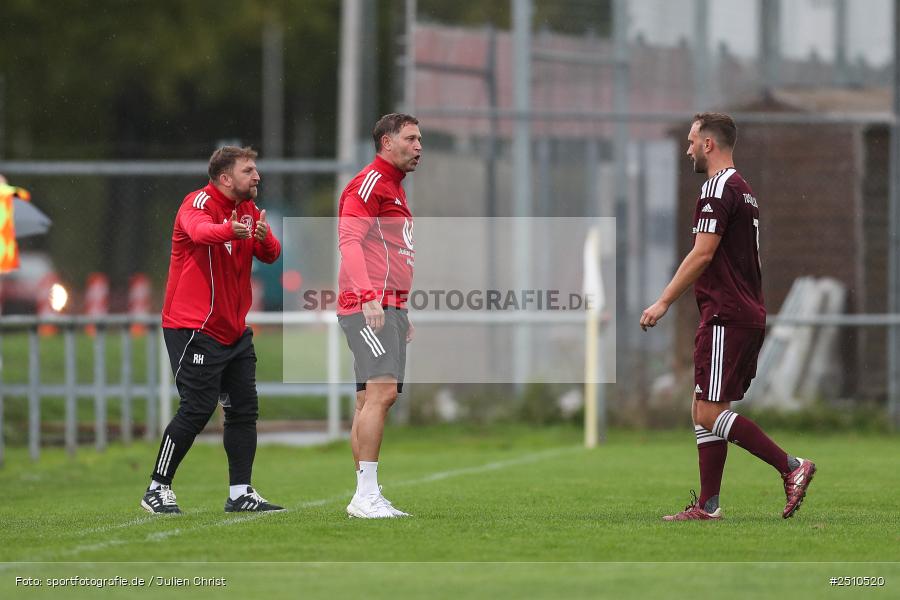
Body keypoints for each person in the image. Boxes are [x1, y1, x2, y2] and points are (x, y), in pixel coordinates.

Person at [640, 113, 816, 521]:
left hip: (727, 314)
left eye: (691, 141)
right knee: (705, 405)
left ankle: (792, 467)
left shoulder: (716, 189)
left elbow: (703, 253)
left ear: (708, 144)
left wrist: (663, 301)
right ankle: (708, 506)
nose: (687, 149)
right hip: (740, 311)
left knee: (706, 412)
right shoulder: (743, 189)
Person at [140, 146, 284, 514]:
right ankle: (157, 488)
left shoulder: (248, 210)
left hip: (234, 329)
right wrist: (227, 230)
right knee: (198, 407)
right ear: (225, 178)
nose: (256, 176)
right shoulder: (197, 202)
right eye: (248, 170)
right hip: (193, 327)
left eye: (256, 170)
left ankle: (240, 493)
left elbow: (270, 254)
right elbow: (201, 232)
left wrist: (263, 235)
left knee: (243, 409)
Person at [337, 113, 420, 518]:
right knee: (382, 394)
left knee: (368, 399)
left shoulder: (395, 189)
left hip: (389, 305)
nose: (419, 146)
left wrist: (401, 306)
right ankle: (365, 495)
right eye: (411, 138)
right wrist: (370, 297)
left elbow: (391, 251)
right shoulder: (369, 183)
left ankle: (366, 494)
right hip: (369, 307)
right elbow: (349, 240)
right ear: (387, 142)